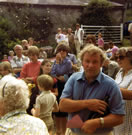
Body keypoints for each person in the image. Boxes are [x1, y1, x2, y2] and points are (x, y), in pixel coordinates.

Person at [59, 44, 125, 135]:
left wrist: (98, 122)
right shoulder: (74, 79)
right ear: (82, 62)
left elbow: (119, 117)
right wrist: (88, 104)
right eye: (87, 61)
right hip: (73, 132)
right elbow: (62, 106)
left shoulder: (111, 85)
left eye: (95, 62)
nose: (90, 65)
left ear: (101, 63)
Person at [51, 44, 73, 135]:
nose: (61, 52)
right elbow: (52, 73)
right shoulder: (56, 61)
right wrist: (56, 63)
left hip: (65, 85)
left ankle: (63, 131)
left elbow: (63, 72)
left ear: (66, 51)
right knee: (57, 109)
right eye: (60, 50)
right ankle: (58, 130)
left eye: (63, 50)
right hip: (57, 84)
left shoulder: (68, 61)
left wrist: (60, 75)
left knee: (63, 108)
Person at [114, 47, 132, 135]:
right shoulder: (120, 72)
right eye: (116, 57)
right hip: (119, 118)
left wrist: (109, 88)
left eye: (121, 57)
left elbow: (130, 95)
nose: (118, 60)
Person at [20, 46, 41, 114]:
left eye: (33, 55)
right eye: (30, 55)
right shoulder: (26, 65)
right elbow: (22, 77)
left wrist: (32, 79)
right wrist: (25, 80)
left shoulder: (41, 64)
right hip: (27, 88)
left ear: (37, 55)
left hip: (38, 88)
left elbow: (42, 77)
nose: (31, 57)